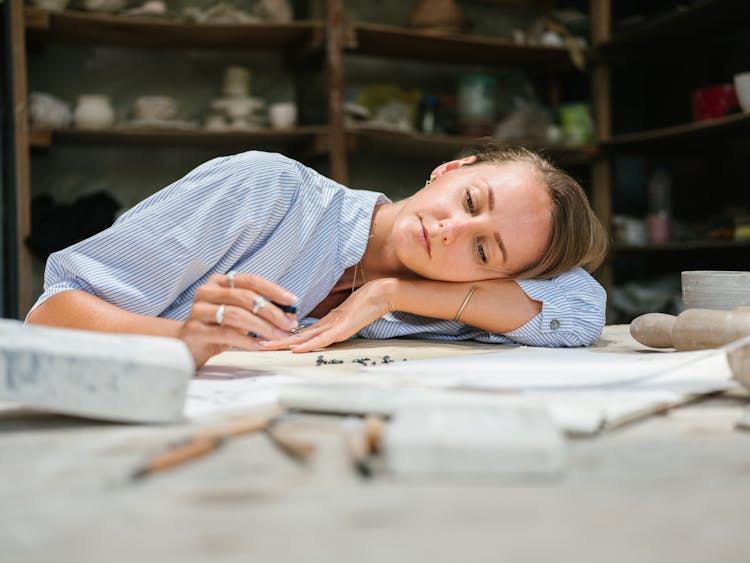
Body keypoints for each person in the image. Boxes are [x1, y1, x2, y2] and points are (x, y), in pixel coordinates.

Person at [26, 147, 608, 367]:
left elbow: (583, 309)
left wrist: (395, 293)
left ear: (497, 276)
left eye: (484, 249)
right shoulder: (265, 190)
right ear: (450, 168)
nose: (451, 230)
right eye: (469, 199)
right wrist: (180, 342)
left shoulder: (448, 305)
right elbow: (51, 315)